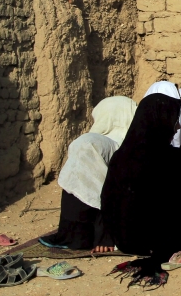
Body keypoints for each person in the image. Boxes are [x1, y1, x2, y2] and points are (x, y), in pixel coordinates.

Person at [100, 86, 181, 285]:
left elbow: (109, 201)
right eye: (175, 120)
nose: (178, 127)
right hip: (163, 241)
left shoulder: (120, 156)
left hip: (124, 238)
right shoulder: (172, 159)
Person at [41, 96, 137, 252]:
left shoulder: (92, 141)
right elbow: (108, 192)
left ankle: (76, 236)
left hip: (78, 219)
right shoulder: (121, 145)